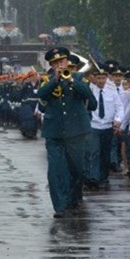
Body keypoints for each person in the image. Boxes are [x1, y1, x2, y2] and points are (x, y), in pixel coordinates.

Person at [36, 48, 97, 218]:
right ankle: (60, 206)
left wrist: (71, 80)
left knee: (78, 169)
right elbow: (41, 96)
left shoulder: (79, 78)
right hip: (54, 133)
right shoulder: (47, 80)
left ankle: (73, 196)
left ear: (67, 62)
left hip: (76, 133)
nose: (59, 65)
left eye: (61, 62)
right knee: (56, 171)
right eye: (55, 63)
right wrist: (55, 80)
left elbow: (92, 101)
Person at [87, 64, 123, 189]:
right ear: (95, 79)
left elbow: (119, 107)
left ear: (106, 78)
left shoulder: (112, 92)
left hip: (108, 127)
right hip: (94, 126)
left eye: (103, 78)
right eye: (99, 78)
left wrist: (118, 120)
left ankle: (103, 177)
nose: (101, 81)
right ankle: (94, 177)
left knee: (105, 153)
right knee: (94, 152)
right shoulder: (90, 91)